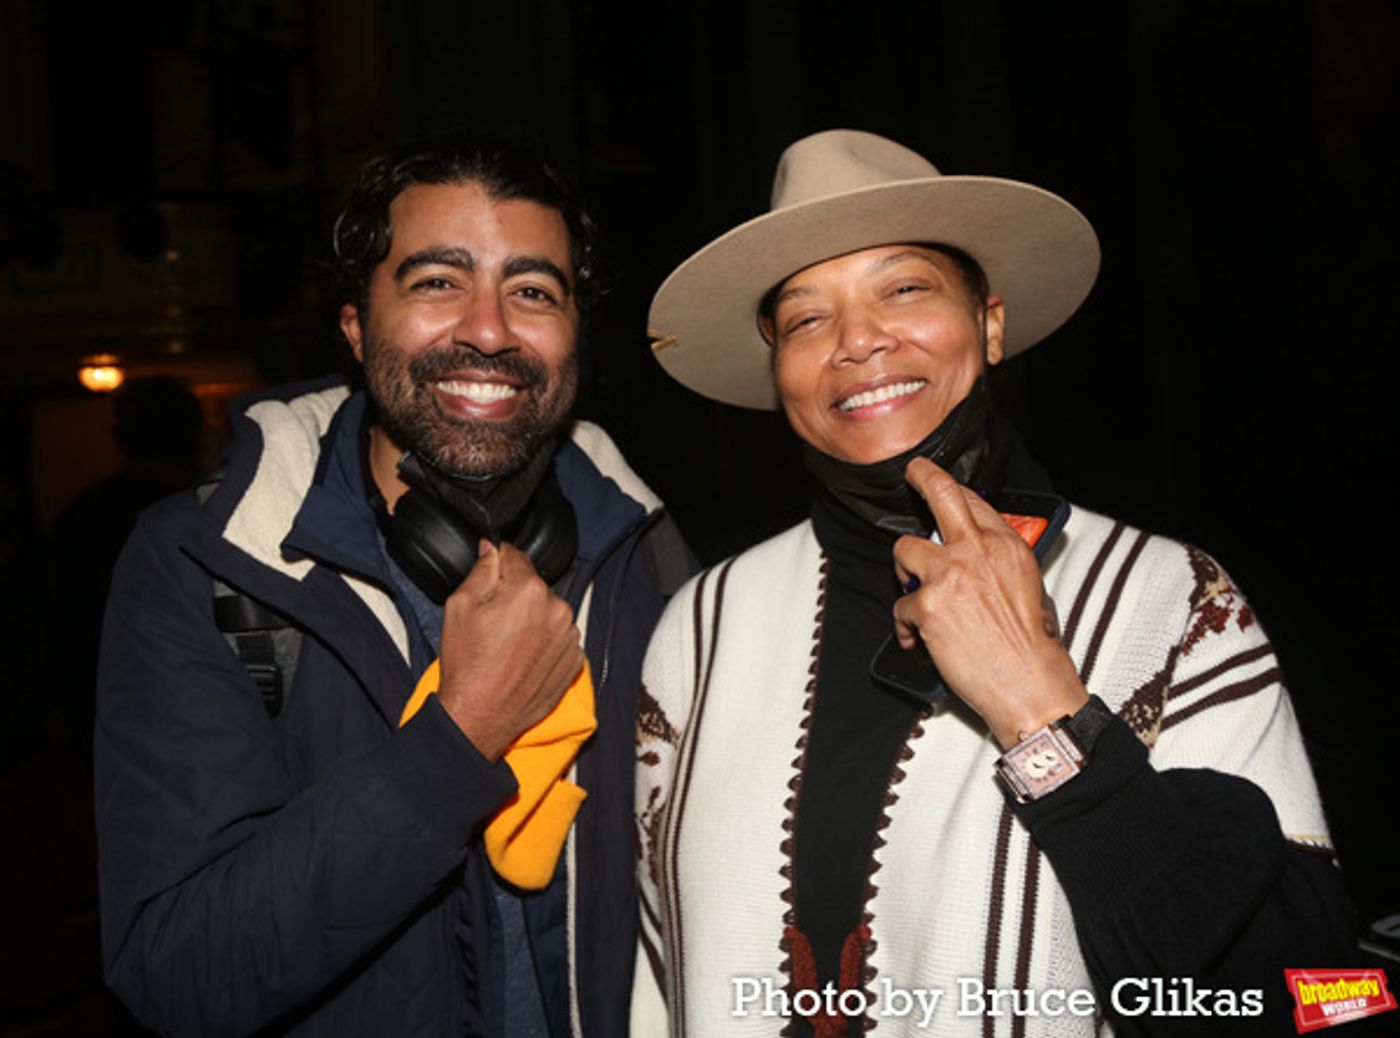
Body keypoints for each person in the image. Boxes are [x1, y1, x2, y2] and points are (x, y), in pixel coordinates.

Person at [634, 130, 1357, 1036]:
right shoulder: (702, 627)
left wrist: (1041, 707)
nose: (858, 341)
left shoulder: (1168, 599)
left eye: (904, 288)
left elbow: (1318, 999)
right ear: (779, 370)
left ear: (990, 323)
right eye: (807, 317)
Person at [95, 137, 689, 1036]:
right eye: (437, 282)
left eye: (533, 291)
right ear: (354, 325)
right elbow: (180, 973)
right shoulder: (205, 559)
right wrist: (457, 743)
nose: (489, 329)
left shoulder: (648, 552)